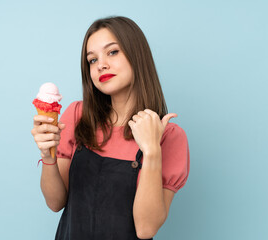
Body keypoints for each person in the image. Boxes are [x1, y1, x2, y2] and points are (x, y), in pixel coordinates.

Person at [31, 16, 190, 240]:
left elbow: (146, 229)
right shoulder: (78, 115)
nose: (101, 65)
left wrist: (152, 150)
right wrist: (48, 156)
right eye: (92, 60)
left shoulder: (169, 135)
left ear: (137, 55)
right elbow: (55, 202)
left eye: (112, 52)